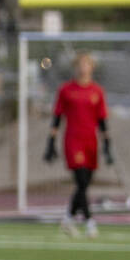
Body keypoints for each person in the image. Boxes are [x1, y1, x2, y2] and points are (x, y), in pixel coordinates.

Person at [44, 52, 113, 238]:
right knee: (81, 181)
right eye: (80, 64)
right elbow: (57, 117)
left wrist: (107, 144)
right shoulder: (66, 90)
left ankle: (67, 218)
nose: (83, 68)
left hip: (91, 141)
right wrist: (50, 142)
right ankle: (90, 222)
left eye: (87, 64)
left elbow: (102, 120)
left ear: (92, 67)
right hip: (73, 140)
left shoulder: (97, 91)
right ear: (76, 67)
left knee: (85, 184)